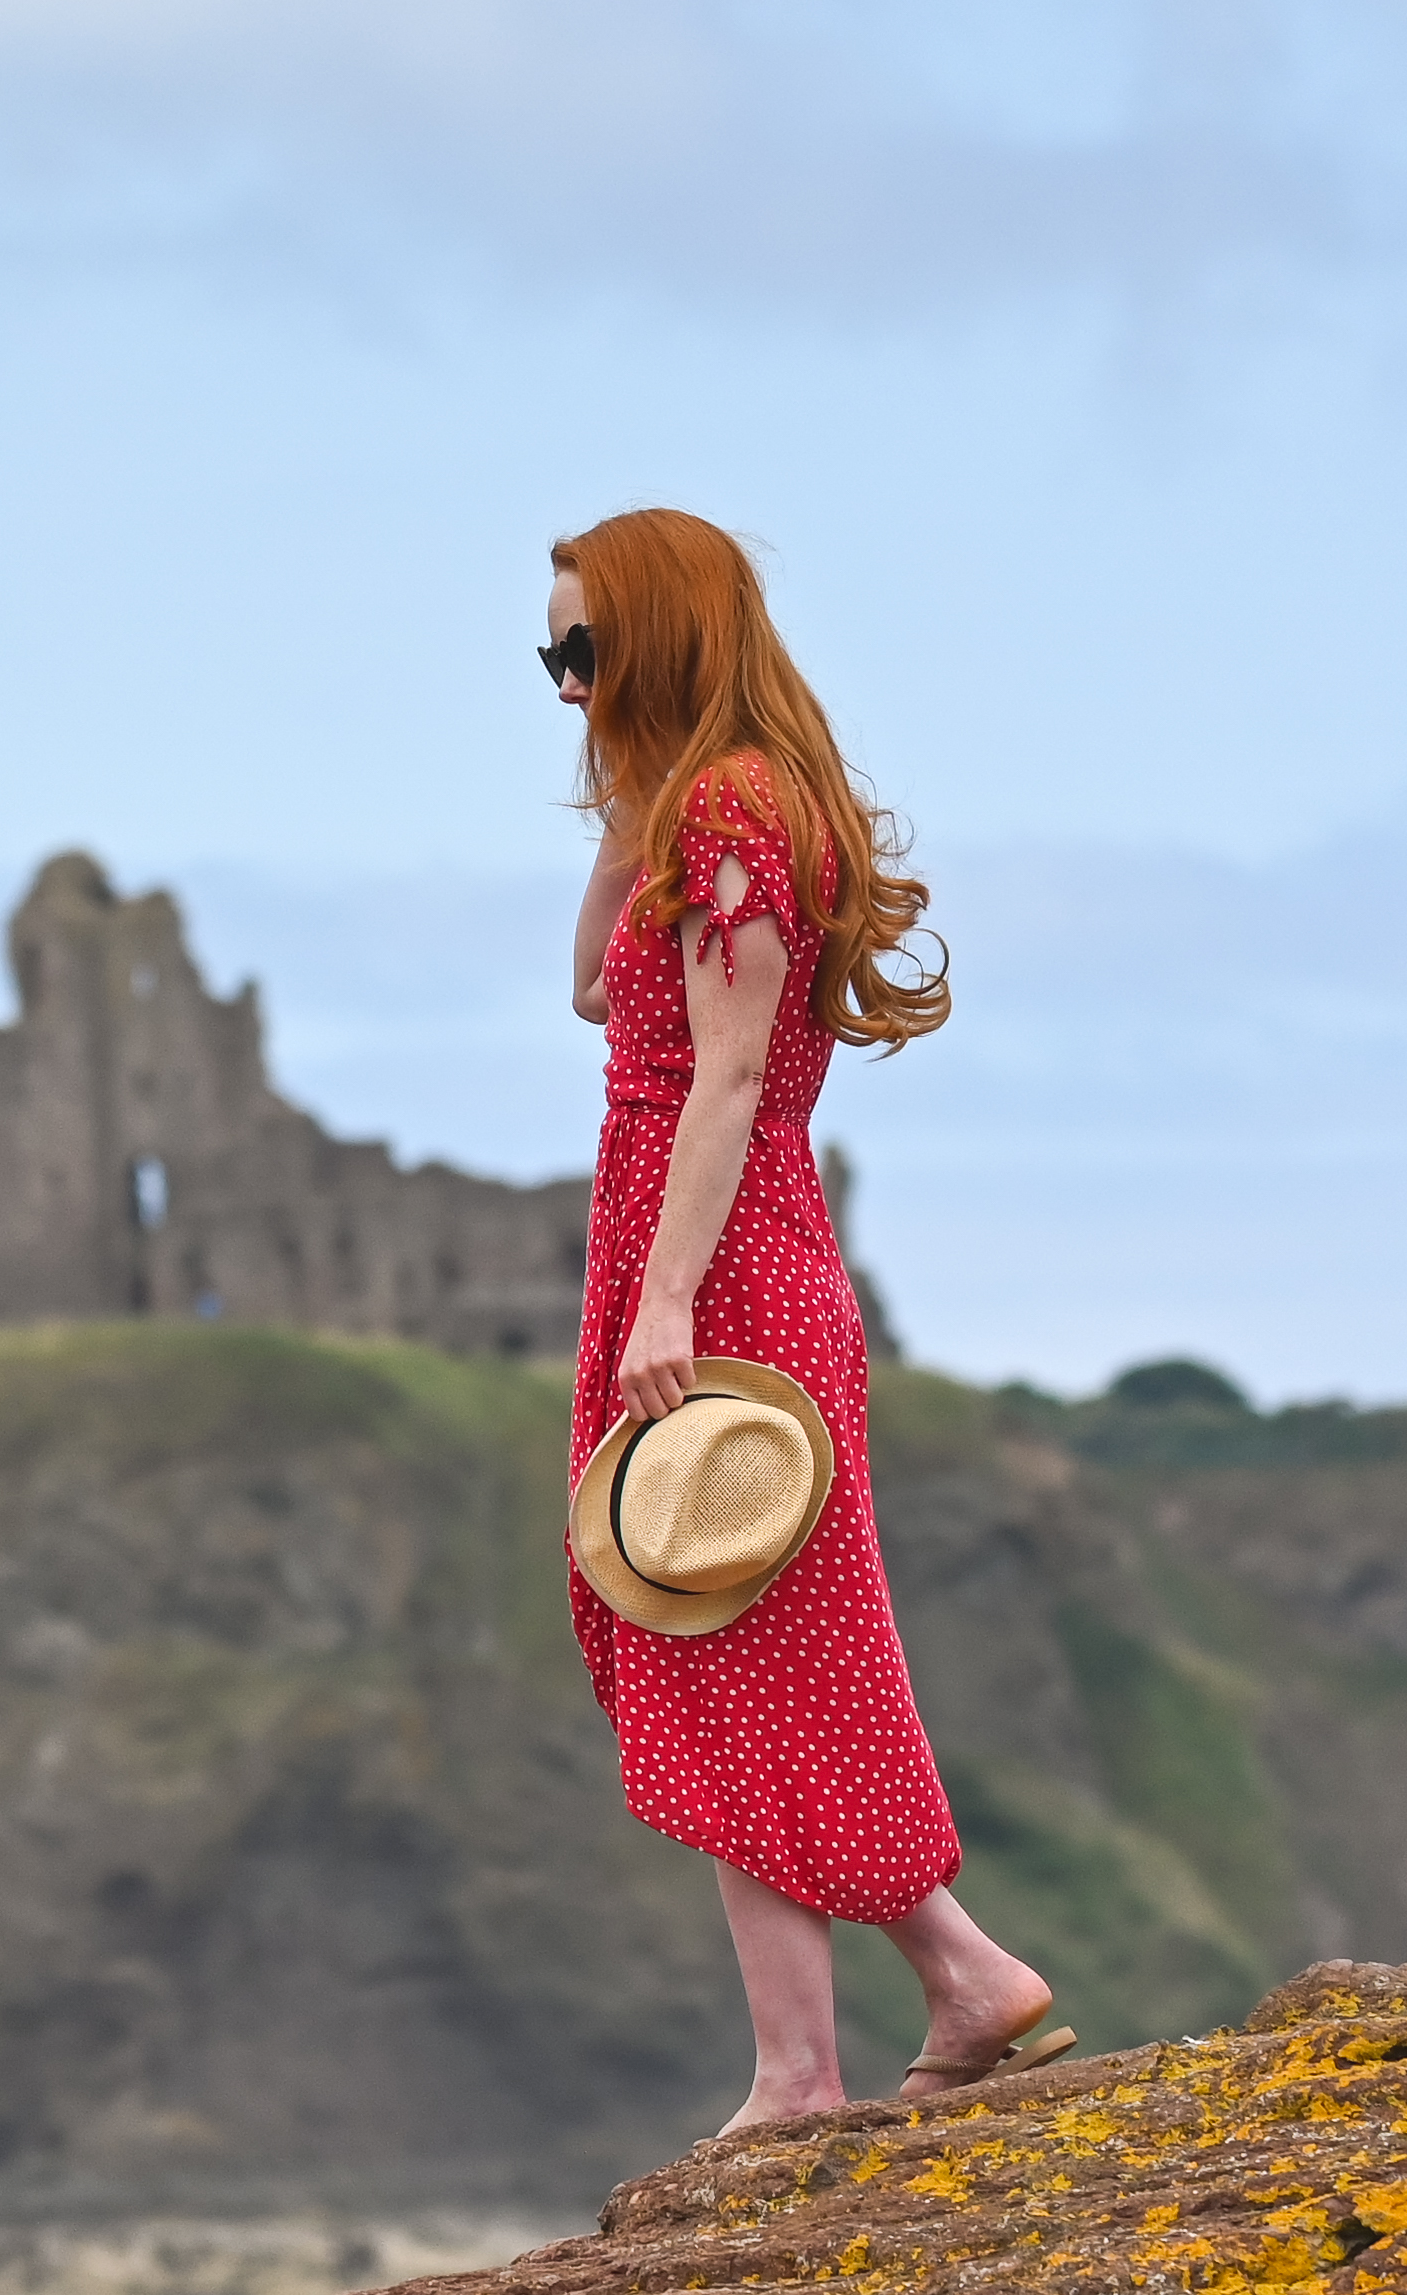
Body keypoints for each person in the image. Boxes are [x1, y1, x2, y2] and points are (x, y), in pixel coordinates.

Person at [544, 506, 1073, 2139]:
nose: (563, 685)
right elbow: (583, 990)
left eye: (586, 649)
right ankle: (941, 1989)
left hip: (722, 1252)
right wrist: (623, 800)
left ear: (661, 631)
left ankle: (815, 2059)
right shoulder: (697, 803)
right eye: (548, 655)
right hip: (694, 1238)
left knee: (732, 1633)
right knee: (724, 1639)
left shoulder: (734, 809)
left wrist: (668, 1295)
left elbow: (722, 1076)